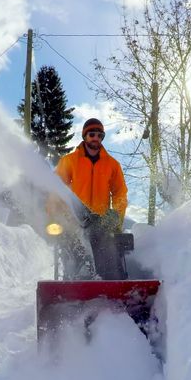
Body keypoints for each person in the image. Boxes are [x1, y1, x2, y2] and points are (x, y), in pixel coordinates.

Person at [49, 117, 129, 280]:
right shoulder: (70, 161)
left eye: (100, 135)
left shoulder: (112, 165)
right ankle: (76, 283)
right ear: (85, 136)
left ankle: (114, 285)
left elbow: (120, 193)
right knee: (76, 253)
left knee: (109, 256)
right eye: (92, 134)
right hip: (75, 220)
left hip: (101, 221)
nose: (96, 138)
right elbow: (55, 190)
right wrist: (53, 216)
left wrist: (116, 217)